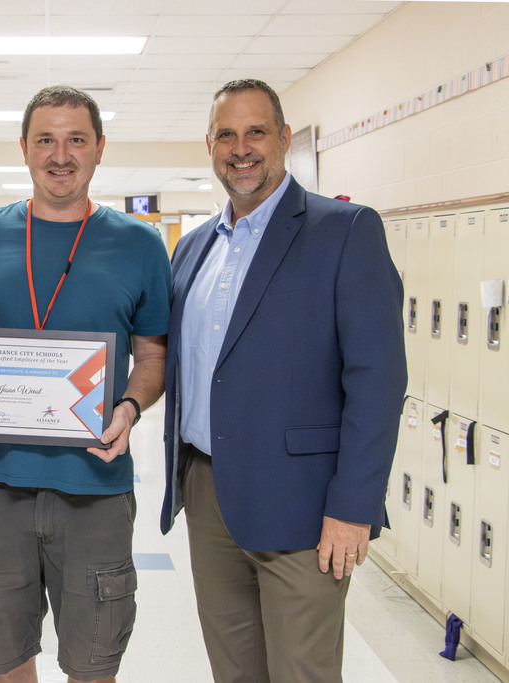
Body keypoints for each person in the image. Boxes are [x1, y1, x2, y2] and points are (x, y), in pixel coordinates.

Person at [160, 79, 407, 682]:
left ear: (285, 138)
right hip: (208, 494)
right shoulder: (192, 249)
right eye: (226, 135)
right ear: (210, 146)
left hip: (303, 505)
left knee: (302, 672)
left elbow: (377, 381)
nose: (241, 148)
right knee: (233, 670)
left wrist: (353, 507)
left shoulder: (344, 231)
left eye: (256, 132)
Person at [0, 85, 171, 683]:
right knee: (4, 661)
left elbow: (153, 355)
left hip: (95, 485)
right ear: (23, 148)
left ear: (99, 149)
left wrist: (128, 407)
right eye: (45, 139)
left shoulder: (140, 245)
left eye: (76, 140)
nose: (60, 155)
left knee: (93, 665)